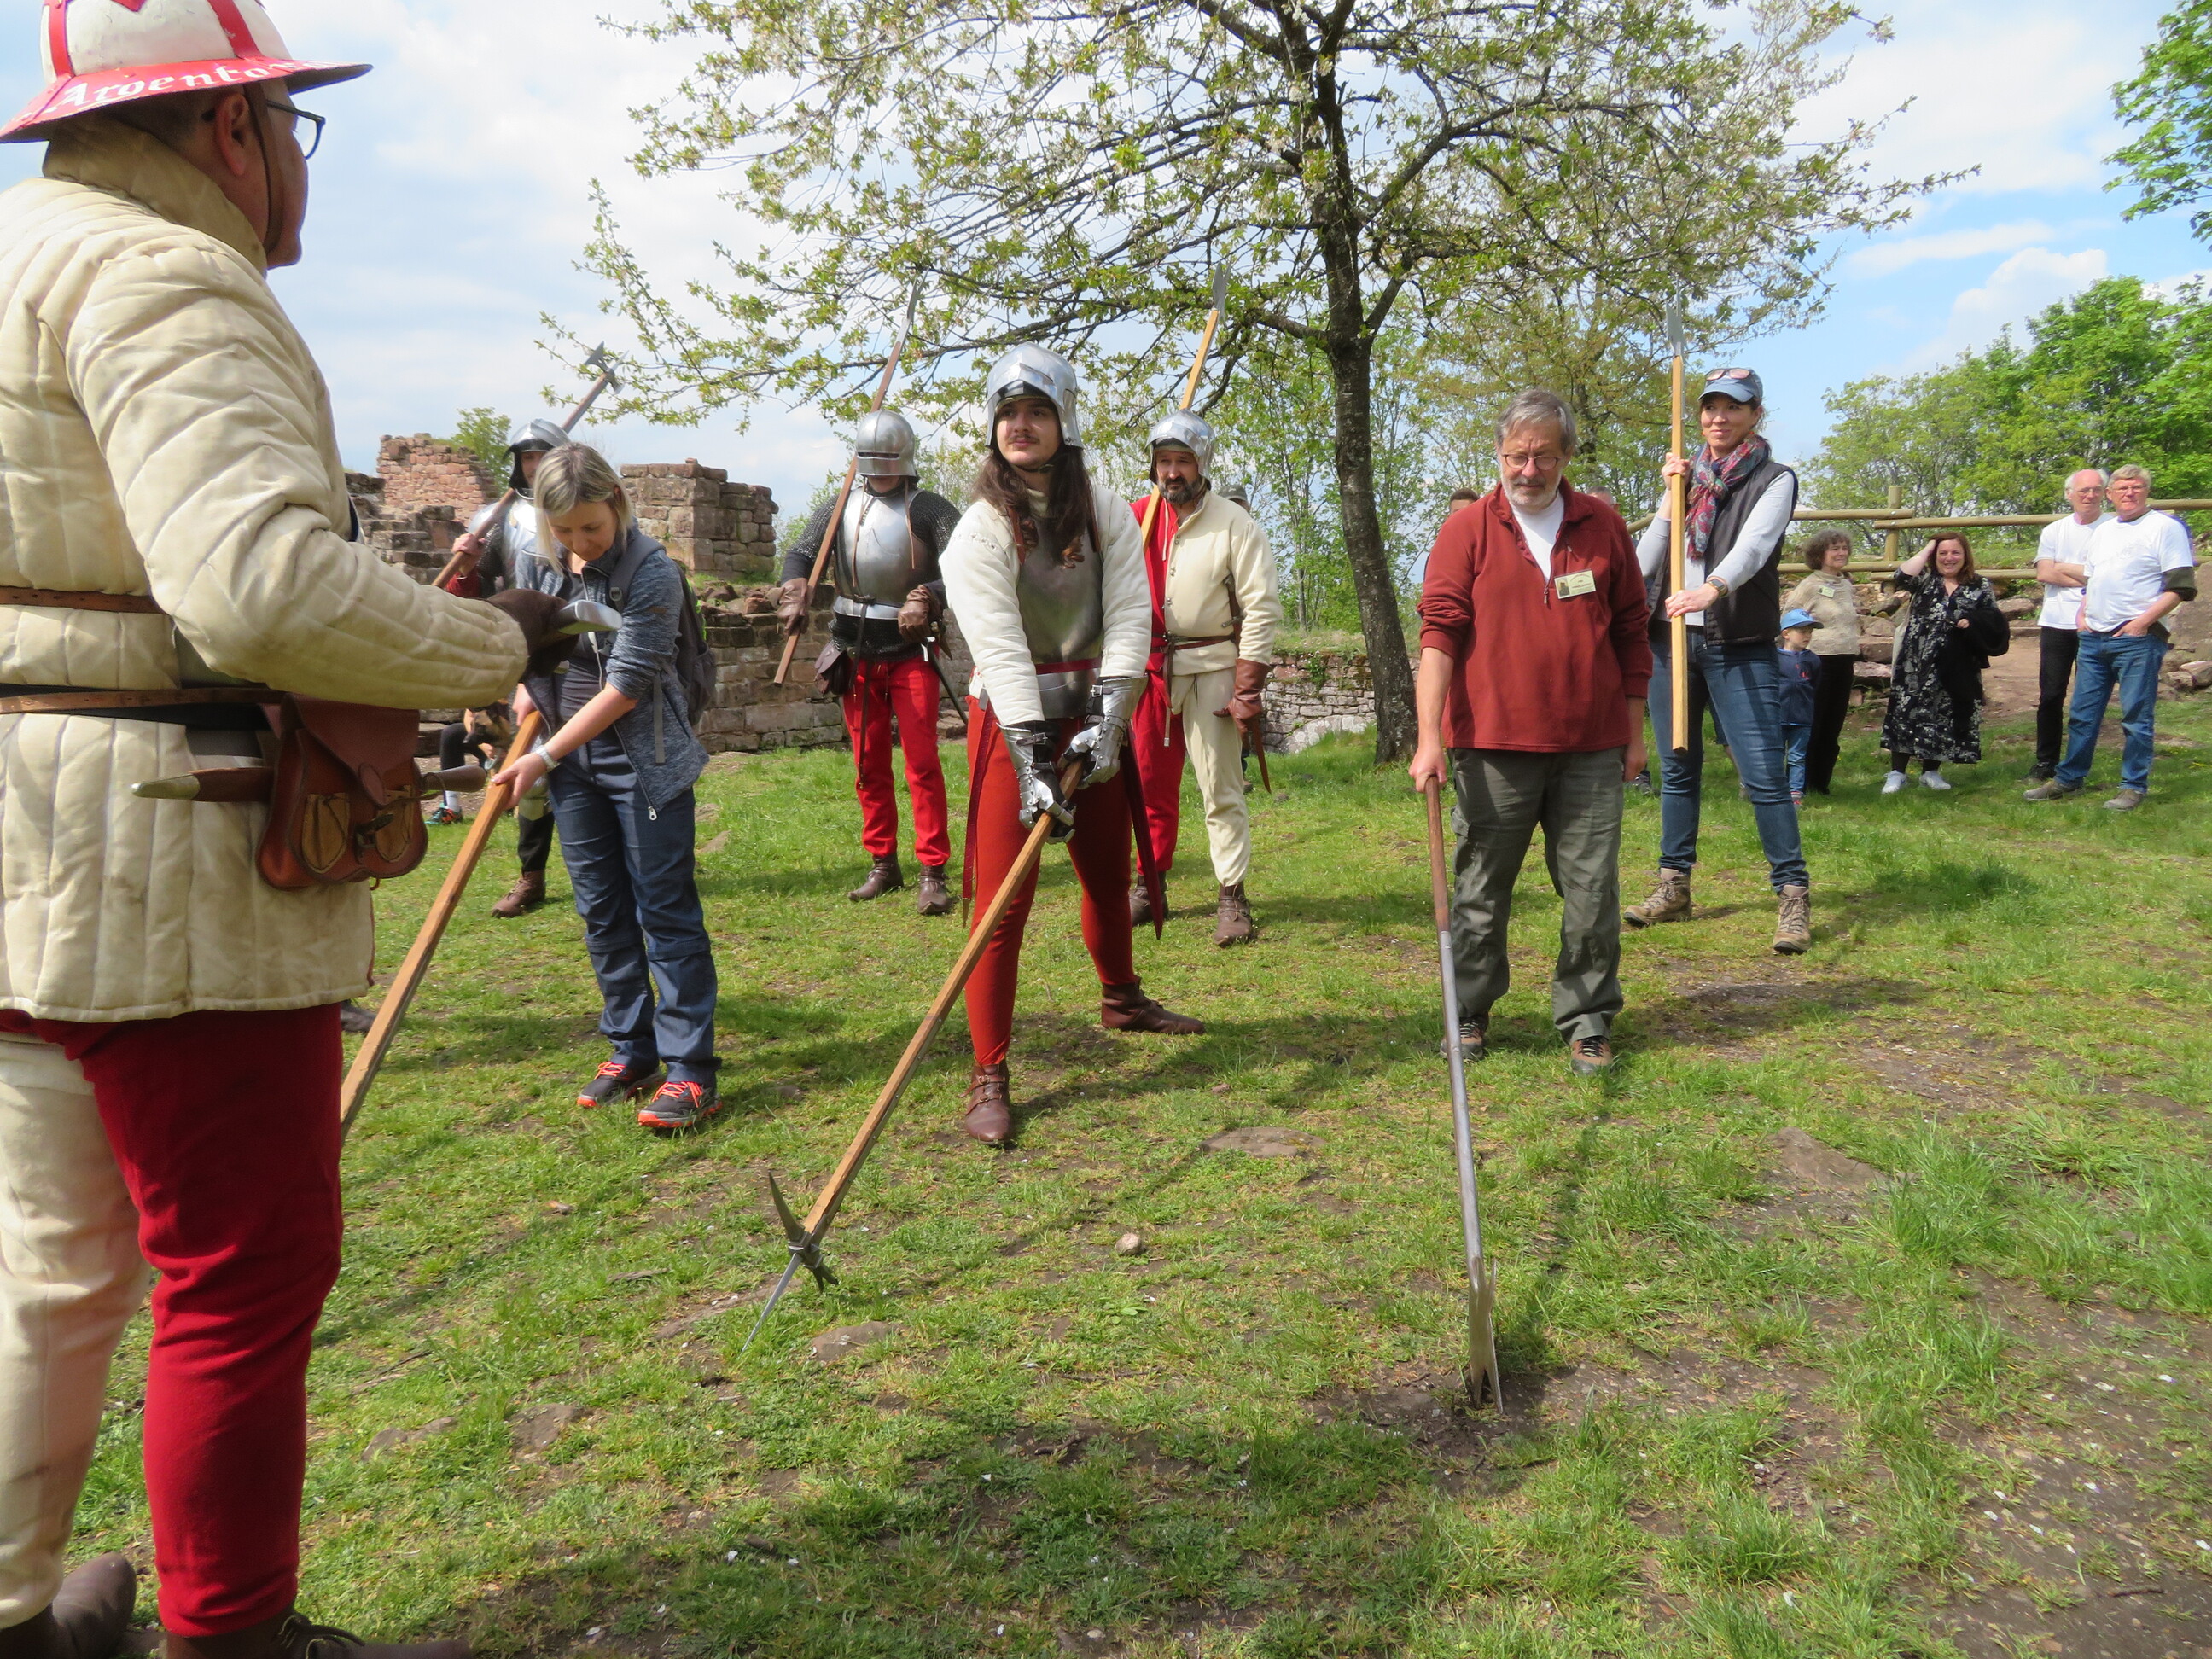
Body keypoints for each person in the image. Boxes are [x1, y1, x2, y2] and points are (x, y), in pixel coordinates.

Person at [0, 6, 565, 1654]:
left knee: (45, 1264)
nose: (291, 165)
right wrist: (494, 641)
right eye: (285, 126)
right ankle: (231, 1630)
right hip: (172, 848)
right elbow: (255, 588)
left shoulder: (18, 256)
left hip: (28, 829)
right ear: (229, 128)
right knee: (239, 1269)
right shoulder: (166, 275)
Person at [940, 346, 1203, 1144]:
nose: (1021, 426)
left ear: (1064, 422)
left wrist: (1112, 715)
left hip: (1094, 713)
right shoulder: (979, 529)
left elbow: (1128, 612)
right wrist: (1031, 760)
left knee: (1106, 872)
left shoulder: (1105, 510)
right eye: (1009, 414)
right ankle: (990, 1071)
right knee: (1003, 902)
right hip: (1013, 722)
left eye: (1037, 412)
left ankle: (1121, 998)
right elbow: (999, 649)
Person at [1409, 391, 1650, 1076]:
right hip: (1491, 746)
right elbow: (1439, 637)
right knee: (1481, 890)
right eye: (1517, 455)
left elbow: (1632, 632)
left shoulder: (1603, 525)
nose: (1529, 469)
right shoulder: (1466, 531)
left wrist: (1634, 734)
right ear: (1498, 455)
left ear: (1567, 455)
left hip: (1592, 745)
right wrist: (1429, 738)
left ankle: (1588, 1019)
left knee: (1593, 893)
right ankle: (1468, 1013)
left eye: (1544, 455)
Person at [492, 445, 723, 1130]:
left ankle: (690, 1071)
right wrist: (524, 688)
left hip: (643, 762)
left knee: (665, 912)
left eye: (590, 527)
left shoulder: (653, 572)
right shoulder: (540, 564)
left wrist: (543, 754)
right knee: (600, 909)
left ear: (617, 503)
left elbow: (627, 683)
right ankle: (632, 1048)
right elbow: (533, 642)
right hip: (574, 769)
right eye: (563, 529)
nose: (579, 542)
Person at [1627, 367, 1812, 954]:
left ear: (1755, 414)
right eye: (1710, 407)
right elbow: (1652, 551)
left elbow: (1754, 546)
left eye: (1733, 407)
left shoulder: (1775, 479)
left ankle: (1792, 894)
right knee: (1678, 768)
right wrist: (1668, 497)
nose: (1719, 418)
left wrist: (1713, 588)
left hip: (1738, 644)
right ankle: (1674, 886)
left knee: (1763, 775)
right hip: (1671, 644)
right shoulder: (1685, 477)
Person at [777, 412, 962, 914]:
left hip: (911, 652)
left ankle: (932, 870)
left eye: (886, 458)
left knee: (922, 764)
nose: (878, 467)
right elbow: (801, 553)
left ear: (903, 459)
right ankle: (883, 864)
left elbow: (967, 566)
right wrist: (795, 589)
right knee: (867, 764)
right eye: (871, 458)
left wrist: (929, 594)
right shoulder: (839, 506)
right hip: (854, 650)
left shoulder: (929, 509)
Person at [1126, 411, 1284, 946]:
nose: (1172, 472)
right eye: (1164, 461)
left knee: (1221, 787)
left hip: (1212, 666)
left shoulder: (1235, 523)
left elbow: (1261, 608)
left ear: (1202, 464)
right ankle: (1150, 884)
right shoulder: (1136, 518)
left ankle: (1232, 894)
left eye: (1183, 461)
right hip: (1150, 671)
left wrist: (1247, 686)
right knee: (1149, 786)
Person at [444, 424, 571, 914]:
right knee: (529, 774)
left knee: (596, 766)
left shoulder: (583, 508)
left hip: (584, 652)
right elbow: (475, 601)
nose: (534, 466)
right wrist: (466, 567)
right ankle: (530, 878)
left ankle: (629, 866)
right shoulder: (498, 518)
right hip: (525, 656)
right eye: (527, 457)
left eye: (543, 456)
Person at [2026, 463, 2198, 810]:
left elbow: (2181, 587)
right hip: (2094, 637)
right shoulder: (2104, 532)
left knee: (2135, 717)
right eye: (2122, 488)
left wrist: (2141, 622)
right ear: (2111, 494)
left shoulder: (2165, 528)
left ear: (2146, 491)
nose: (2129, 493)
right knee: (2082, 714)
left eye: (2136, 487)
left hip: (2137, 639)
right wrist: (2083, 615)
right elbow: (2093, 579)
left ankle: (2133, 786)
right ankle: (2069, 778)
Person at [1879, 533, 2007, 794]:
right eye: (1943, 553)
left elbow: (1993, 618)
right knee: (1905, 711)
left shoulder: (1979, 585)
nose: (1949, 558)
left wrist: (1973, 621)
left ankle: (1931, 771)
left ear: (1965, 555)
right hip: (1916, 659)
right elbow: (1901, 576)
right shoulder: (1925, 579)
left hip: (1958, 660)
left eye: (1955, 552)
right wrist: (1929, 546)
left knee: (1944, 713)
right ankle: (1897, 773)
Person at [2026, 469, 2111, 782]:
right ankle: (2045, 761)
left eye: (2096, 489)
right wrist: (2091, 576)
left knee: (2088, 698)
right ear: (2069, 494)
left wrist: (2064, 567)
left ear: (2105, 493)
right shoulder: (2055, 531)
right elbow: (2044, 573)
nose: (2090, 495)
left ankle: (2076, 763)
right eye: (2083, 490)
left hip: (2099, 621)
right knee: (2051, 695)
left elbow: (2112, 575)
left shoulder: (2114, 528)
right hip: (2057, 622)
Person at [1782, 530, 1863, 793]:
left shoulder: (1845, 585)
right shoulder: (1810, 585)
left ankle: (1821, 782)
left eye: (1844, 548)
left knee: (1833, 723)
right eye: (1834, 549)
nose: (1841, 553)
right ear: (1820, 554)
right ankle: (1798, 782)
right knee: (1812, 722)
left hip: (1844, 659)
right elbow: (1789, 618)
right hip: (1817, 661)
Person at [1775, 609, 1820, 805]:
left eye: (1810, 632)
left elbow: (1815, 685)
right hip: (1776, 717)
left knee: (1797, 757)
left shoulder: (1813, 660)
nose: (1807, 636)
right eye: (1802, 632)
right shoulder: (1774, 658)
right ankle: (1775, 791)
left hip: (1802, 719)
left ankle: (1795, 793)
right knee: (1775, 756)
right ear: (1786, 634)